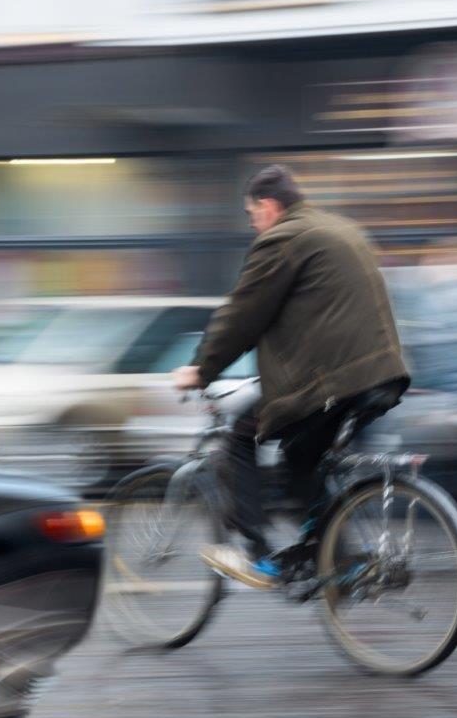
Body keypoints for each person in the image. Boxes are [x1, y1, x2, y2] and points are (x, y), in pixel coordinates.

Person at [173, 165, 410, 589]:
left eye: (252, 216)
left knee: (242, 437)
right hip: (380, 372)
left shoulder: (284, 238)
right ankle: (333, 556)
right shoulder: (338, 228)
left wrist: (201, 369)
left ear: (267, 205)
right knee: (304, 459)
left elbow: (242, 314)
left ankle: (261, 556)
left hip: (334, 378)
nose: (253, 226)